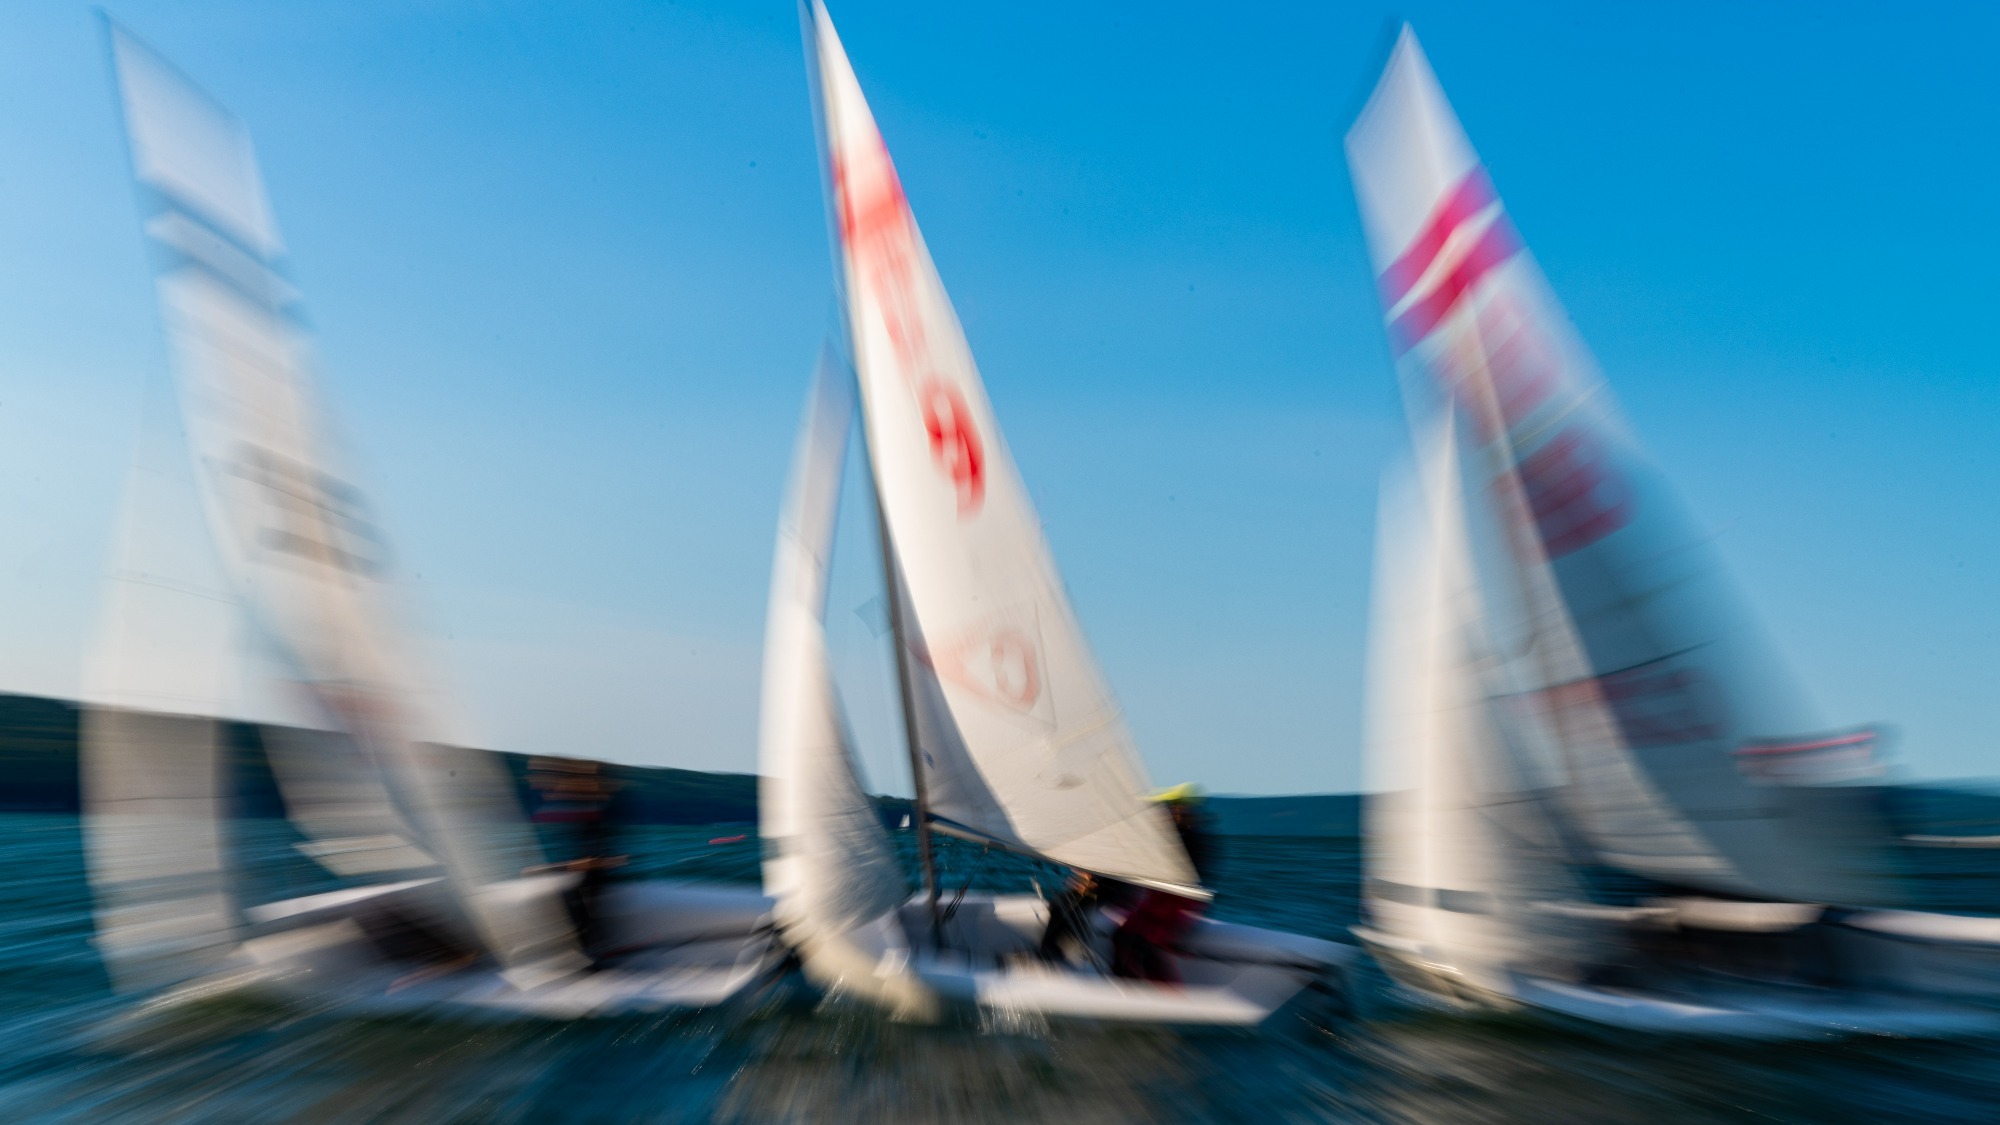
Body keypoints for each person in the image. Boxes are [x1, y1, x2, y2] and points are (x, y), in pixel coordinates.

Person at [1111, 783, 1215, 983]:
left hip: (1177, 901)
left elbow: (1186, 876)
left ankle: (1166, 993)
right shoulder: (1177, 834)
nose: (1165, 812)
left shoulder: (1191, 837)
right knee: (1121, 936)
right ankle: (1121, 985)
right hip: (1159, 899)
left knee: (1144, 943)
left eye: (1170, 807)